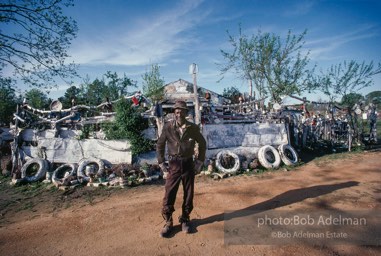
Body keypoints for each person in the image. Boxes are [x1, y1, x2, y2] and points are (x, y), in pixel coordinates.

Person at [157, 100, 206, 237]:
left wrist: (199, 161)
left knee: (189, 194)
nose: (179, 113)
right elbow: (160, 145)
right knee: (169, 194)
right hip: (173, 164)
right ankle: (168, 222)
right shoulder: (168, 127)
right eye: (177, 111)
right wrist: (161, 163)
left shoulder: (192, 128)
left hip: (188, 164)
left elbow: (202, 143)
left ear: (186, 112)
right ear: (174, 113)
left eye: (182, 111)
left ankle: (185, 219)